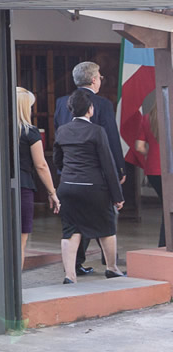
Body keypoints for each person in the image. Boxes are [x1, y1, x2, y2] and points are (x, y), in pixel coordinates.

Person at [55, 61, 126, 275]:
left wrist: (64, 170)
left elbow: (57, 143)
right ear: (94, 79)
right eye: (100, 77)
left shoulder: (60, 102)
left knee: (73, 225)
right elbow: (111, 140)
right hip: (96, 177)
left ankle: (73, 269)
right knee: (105, 223)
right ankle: (111, 266)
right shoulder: (102, 104)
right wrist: (119, 170)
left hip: (68, 177)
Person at [17, 87, 60, 254]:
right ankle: (16, 280)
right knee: (20, 241)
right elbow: (41, 165)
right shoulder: (30, 132)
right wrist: (52, 192)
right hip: (23, 186)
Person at [127, 100, 165, 247]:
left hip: (153, 169)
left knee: (167, 206)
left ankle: (164, 243)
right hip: (169, 170)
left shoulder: (148, 118)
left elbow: (139, 146)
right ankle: (165, 243)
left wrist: (152, 153)